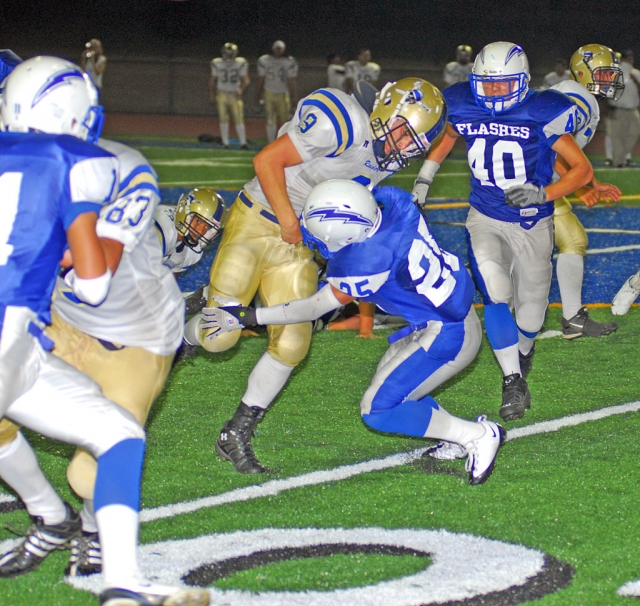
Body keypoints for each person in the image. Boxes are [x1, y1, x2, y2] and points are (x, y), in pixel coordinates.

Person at [0, 57, 208, 606]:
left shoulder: (118, 166)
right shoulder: (75, 163)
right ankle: (58, 525)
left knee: (88, 475)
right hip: (52, 322)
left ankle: (89, 528)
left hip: (129, 335)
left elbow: (94, 268)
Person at [184, 78, 448, 474]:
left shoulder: (385, 152)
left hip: (299, 244)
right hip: (259, 220)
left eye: (414, 143)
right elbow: (266, 161)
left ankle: (235, 433)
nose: (403, 147)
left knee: (292, 344)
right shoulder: (341, 122)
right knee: (219, 338)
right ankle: (185, 328)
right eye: (402, 133)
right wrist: (290, 222)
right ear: (384, 111)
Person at [202, 181, 505, 485]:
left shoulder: (367, 262)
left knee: (377, 410)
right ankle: (455, 435)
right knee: (398, 386)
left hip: (447, 332)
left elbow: (310, 309)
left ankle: (477, 435)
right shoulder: (394, 204)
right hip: (438, 315)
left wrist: (247, 316)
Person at [411, 41, 593, 422]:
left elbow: (581, 170)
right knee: (495, 293)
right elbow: (448, 136)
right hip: (485, 216)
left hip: (532, 222)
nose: (493, 92)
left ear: (523, 82)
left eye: (502, 85)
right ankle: (512, 380)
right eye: (487, 85)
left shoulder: (542, 109)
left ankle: (523, 351)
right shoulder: (461, 102)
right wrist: (424, 180)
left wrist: (544, 192)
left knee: (530, 317)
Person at [552, 44, 624, 338]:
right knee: (571, 240)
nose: (610, 80)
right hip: (531, 180)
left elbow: (566, 153)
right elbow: (549, 146)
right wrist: (579, 188)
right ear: (583, 72)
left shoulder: (575, 94)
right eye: (604, 74)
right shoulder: (577, 97)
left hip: (527, 177)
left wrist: (590, 184)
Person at [154, 187, 227, 315]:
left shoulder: (192, 252)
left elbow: (169, 277)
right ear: (184, 212)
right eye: (198, 221)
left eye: (207, 227)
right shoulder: (162, 229)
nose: (200, 230)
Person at [208, 43, 250, 149]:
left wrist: (241, 90)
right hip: (222, 93)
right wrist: (212, 95)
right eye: (228, 54)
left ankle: (243, 142)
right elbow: (212, 81)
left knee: (238, 118)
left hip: (234, 94)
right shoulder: (216, 63)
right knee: (223, 118)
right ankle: (225, 142)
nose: (230, 56)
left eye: (231, 54)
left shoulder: (240, 63)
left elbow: (246, 80)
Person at [256, 40, 298, 143]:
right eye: (277, 48)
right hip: (268, 92)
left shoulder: (289, 62)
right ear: (273, 49)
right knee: (270, 119)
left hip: (283, 93)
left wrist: (293, 96)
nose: (278, 51)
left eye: (280, 49)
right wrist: (257, 93)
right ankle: (271, 143)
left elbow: (291, 81)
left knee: (284, 121)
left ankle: (281, 143)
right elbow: (261, 78)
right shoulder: (264, 60)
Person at [607, 49, 640, 167]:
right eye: (627, 58)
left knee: (635, 132)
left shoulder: (636, 73)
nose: (630, 60)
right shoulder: (616, 72)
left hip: (633, 110)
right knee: (616, 136)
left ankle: (620, 157)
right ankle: (619, 161)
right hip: (618, 108)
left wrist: (636, 82)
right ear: (623, 59)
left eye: (631, 58)